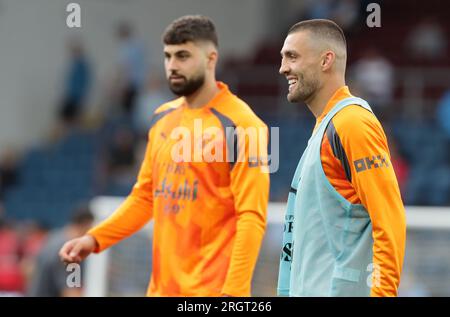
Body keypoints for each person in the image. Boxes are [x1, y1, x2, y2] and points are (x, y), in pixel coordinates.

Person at [59, 15, 270, 297]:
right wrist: (95, 238)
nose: (172, 65)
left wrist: (234, 293)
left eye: (183, 56)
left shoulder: (244, 126)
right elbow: (145, 197)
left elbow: (252, 216)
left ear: (211, 59)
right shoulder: (162, 118)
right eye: (168, 56)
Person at [277, 19, 406, 297]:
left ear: (326, 60)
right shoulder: (325, 127)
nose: (283, 67)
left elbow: (389, 220)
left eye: (293, 56)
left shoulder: (352, 123)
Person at [28, 207, 93, 297]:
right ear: (86, 224)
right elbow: (71, 292)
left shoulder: (53, 237)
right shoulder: (72, 251)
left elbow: (28, 268)